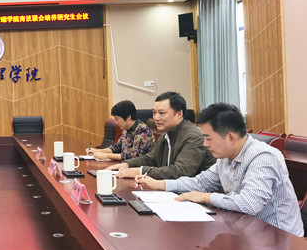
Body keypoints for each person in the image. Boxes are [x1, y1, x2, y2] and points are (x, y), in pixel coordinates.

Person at [137, 103, 303, 237]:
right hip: (246, 231)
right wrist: (161, 184)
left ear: (230, 137)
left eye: (208, 138)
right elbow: (201, 182)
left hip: (279, 239)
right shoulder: (225, 157)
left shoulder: (263, 157)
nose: (205, 144)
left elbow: (249, 204)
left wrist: (206, 197)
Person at [108, 91, 215, 179]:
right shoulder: (166, 135)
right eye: (154, 113)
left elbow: (181, 172)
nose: (156, 118)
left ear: (179, 114)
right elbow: (150, 158)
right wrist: (127, 164)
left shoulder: (192, 137)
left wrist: (140, 171)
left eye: (162, 113)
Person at [87, 100, 153, 161]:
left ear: (128, 117)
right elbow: (117, 147)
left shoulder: (142, 130)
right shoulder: (126, 129)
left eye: (117, 119)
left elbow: (134, 156)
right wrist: (97, 151)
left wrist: (106, 155)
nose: (116, 123)